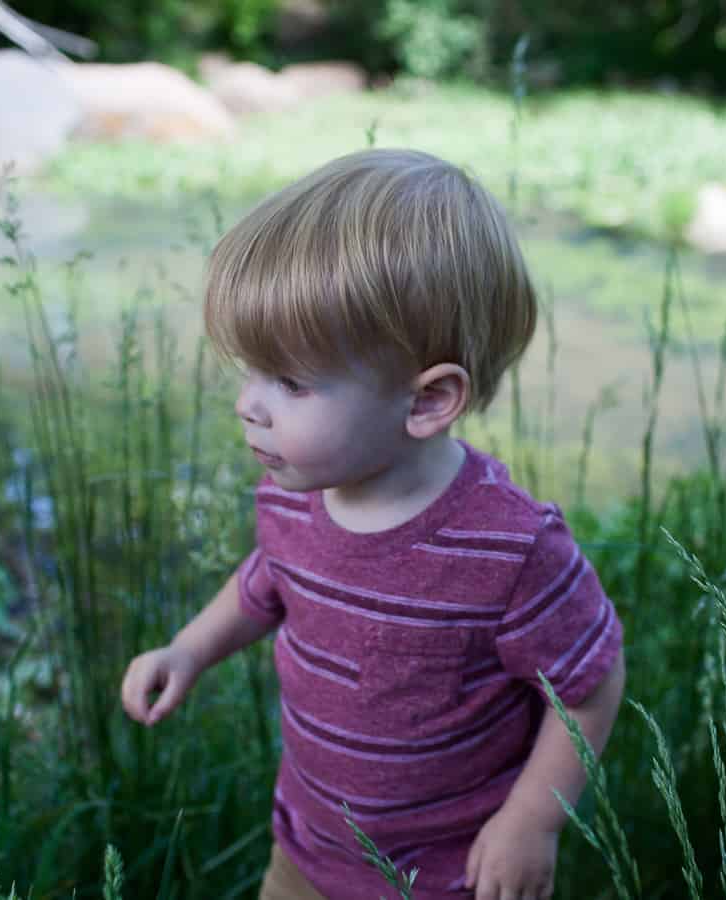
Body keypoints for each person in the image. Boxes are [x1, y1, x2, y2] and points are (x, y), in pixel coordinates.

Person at [121, 148, 626, 900]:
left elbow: (590, 682)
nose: (247, 405)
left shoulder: (509, 548)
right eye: (250, 371)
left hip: (447, 879)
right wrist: (190, 649)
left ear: (426, 401)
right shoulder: (294, 489)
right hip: (304, 852)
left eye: (288, 381)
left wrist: (532, 821)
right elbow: (269, 582)